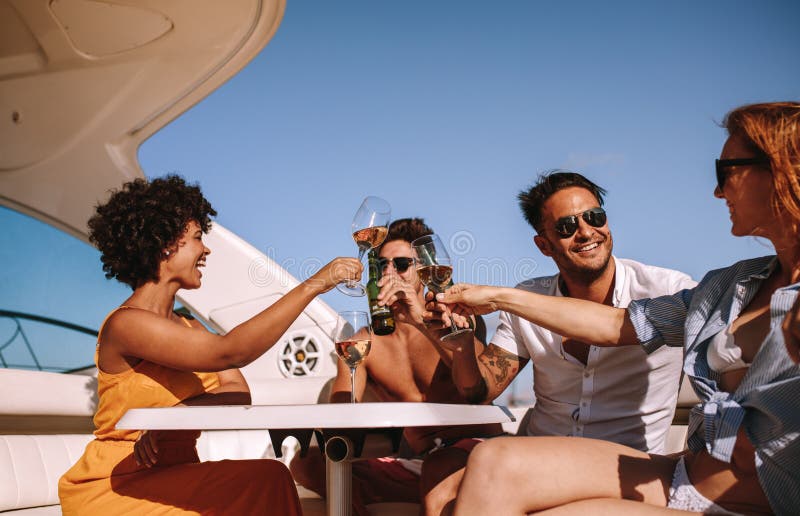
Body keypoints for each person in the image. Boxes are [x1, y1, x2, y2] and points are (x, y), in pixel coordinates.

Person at [440, 102, 800, 515]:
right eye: (566, 226)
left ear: (781, 169)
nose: (717, 191)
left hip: (758, 500)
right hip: (684, 478)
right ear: (543, 244)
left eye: (725, 173)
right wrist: (497, 297)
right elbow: (615, 323)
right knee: (492, 461)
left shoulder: (667, 283)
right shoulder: (727, 286)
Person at [58, 175, 361, 515]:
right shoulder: (127, 324)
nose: (206, 249)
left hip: (177, 475)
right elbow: (232, 352)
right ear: (165, 244)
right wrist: (316, 284)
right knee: (267, 481)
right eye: (197, 238)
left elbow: (237, 390)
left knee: (269, 477)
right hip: (120, 485)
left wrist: (173, 416)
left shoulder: (186, 326)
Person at [416, 171, 696, 514]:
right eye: (566, 226)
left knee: (485, 474)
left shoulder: (666, 291)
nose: (586, 232)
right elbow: (481, 390)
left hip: (625, 463)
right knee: (440, 478)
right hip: (537, 454)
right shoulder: (528, 298)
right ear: (543, 244)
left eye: (595, 217)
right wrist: (459, 346)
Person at [289, 218, 500, 516]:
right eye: (382, 265)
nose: (390, 273)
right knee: (306, 463)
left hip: (476, 452)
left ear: (423, 271)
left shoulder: (454, 318)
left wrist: (419, 320)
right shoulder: (364, 342)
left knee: (440, 468)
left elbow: (478, 378)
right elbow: (336, 421)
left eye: (401, 264)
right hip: (416, 461)